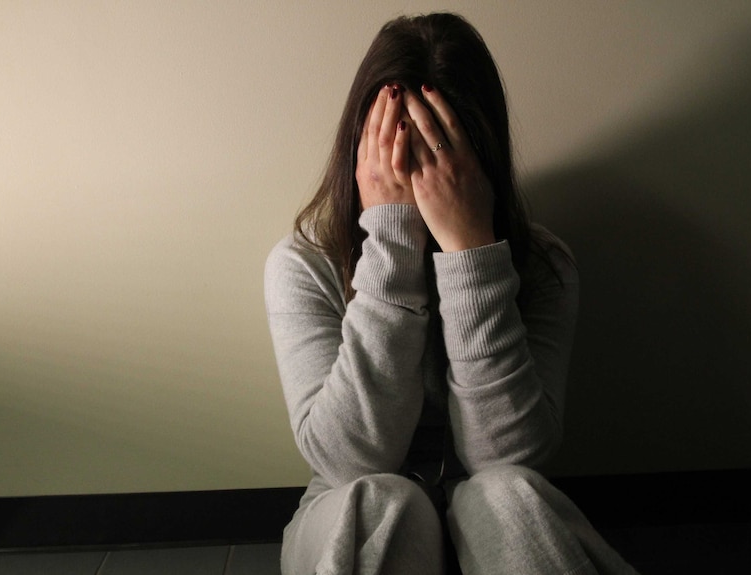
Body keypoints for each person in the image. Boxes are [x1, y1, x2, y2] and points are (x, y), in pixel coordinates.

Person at [265, 12, 637, 575]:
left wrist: (470, 252)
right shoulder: (302, 265)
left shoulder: (543, 266)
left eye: (442, 157)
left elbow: (507, 457)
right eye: (394, 153)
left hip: (496, 514)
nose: (416, 176)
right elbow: (349, 463)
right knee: (381, 504)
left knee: (509, 495)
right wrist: (389, 240)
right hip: (350, 514)